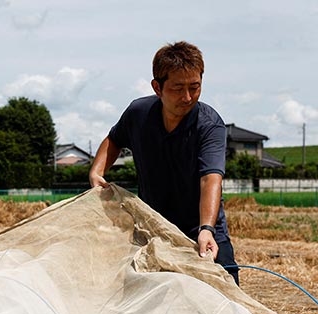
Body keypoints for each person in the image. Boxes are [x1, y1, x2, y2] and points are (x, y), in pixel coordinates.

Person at [89, 41, 239, 285]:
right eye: (178, 88)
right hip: (153, 227)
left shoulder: (209, 125)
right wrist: (97, 171)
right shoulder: (138, 113)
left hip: (201, 230)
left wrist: (207, 229)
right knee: (148, 299)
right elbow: (115, 139)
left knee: (226, 298)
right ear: (157, 87)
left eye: (195, 87)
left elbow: (210, 178)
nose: (187, 97)